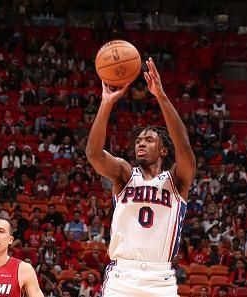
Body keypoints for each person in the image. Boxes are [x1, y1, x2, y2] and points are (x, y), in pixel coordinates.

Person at [86, 57, 195, 296]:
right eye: (138, 141)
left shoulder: (176, 180)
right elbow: (93, 154)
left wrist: (161, 96)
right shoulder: (124, 174)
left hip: (160, 277)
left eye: (148, 140)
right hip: (122, 274)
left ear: (164, 150)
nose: (141, 144)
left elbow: (184, 146)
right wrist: (105, 104)